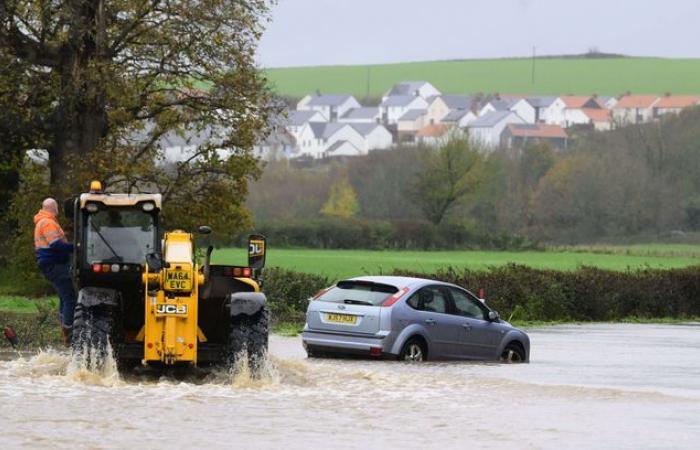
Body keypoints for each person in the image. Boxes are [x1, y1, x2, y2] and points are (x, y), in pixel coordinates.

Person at [34, 198, 76, 344]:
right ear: (53, 207)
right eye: (57, 206)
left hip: (51, 264)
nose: (59, 209)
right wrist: (76, 247)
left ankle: (65, 327)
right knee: (70, 297)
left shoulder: (44, 221)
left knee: (64, 296)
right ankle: (68, 331)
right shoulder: (47, 222)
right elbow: (56, 244)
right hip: (54, 264)